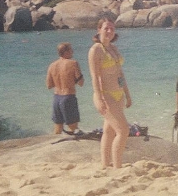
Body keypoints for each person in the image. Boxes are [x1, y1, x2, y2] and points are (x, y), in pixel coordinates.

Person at [88, 17, 132, 168]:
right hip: (105, 95)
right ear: (98, 30)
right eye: (106, 28)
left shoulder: (113, 48)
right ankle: (118, 167)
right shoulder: (95, 50)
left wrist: (127, 93)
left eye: (112, 29)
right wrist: (99, 99)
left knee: (109, 131)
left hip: (118, 94)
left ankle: (105, 165)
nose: (109, 31)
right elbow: (94, 76)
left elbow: (120, 74)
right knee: (123, 130)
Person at [46, 42, 84, 134]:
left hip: (57, 98)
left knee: (58, 128)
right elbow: (81, 83)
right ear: (66, 52)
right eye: (71, 50)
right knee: (74, 128)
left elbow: (49, 85)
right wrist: (71, 80)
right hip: (68, 97)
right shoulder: (73, 63)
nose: (73, 51)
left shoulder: (52, 65)